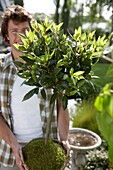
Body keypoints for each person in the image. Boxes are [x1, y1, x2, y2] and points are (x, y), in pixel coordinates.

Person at [0, 5, 70, 170]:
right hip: (10, 152)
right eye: (14, 31)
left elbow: (62, 104)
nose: (21, 36)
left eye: (25, 30)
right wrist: (14, 145)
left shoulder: (50, 66)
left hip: (48, 149)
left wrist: (64, 138)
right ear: (6, 37)